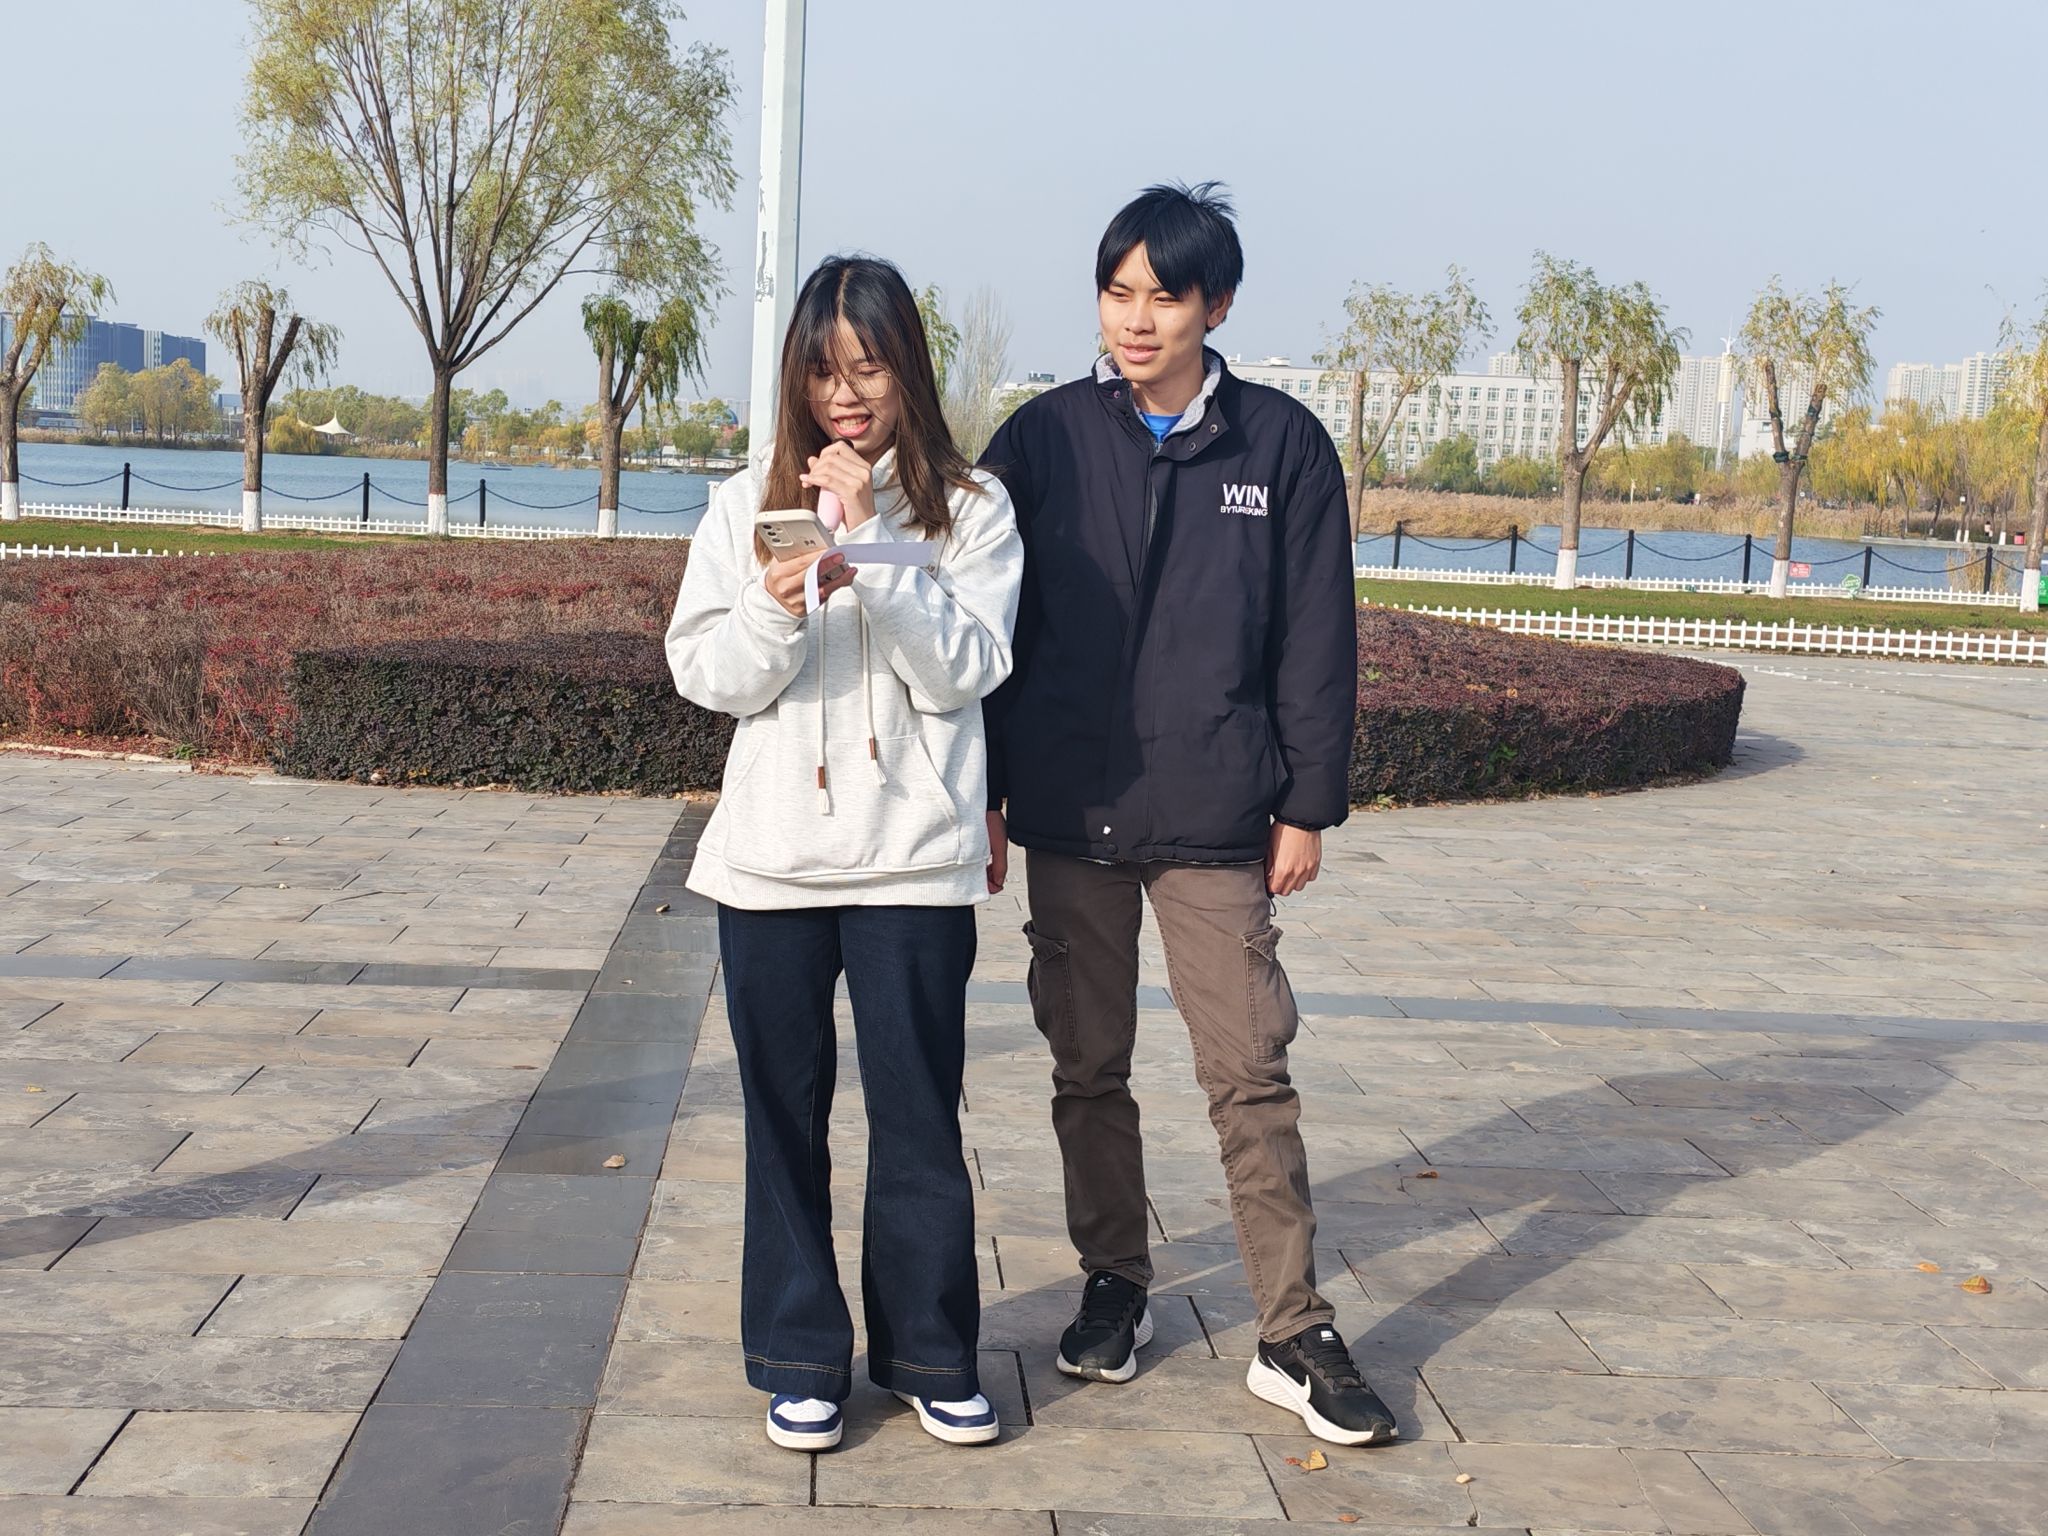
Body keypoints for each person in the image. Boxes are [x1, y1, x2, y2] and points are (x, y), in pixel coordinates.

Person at [979, 183, 1396, 1447]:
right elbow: (982, 622)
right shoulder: (1041, 440)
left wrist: (1306, 802)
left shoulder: (1279, 446)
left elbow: (1316, 637)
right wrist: (984, 789)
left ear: (1216, 305)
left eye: (1162, 296)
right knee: (1085, 1067)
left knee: (1248, 1074)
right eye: (1117, 293)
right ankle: (1114, 1283)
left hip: (1217, 813)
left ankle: (1290, 1329)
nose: (1135, 319)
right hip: (1072, 809)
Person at [667, 255, 1023, 1453]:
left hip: (912, 863)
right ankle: (798, 1356)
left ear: (906, 368)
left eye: (867, 368)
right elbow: (705, 673)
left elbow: (966, 670)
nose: (845, 395)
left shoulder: (969, 509)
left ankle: (929, 1354)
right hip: (768, 866)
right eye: (823, 371)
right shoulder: (741, 504)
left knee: (917, 1114)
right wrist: (775, 603)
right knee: (782, 1117)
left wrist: (869, 547)